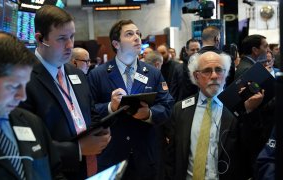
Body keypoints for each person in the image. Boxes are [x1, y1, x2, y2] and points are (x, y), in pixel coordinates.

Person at [18, 5, 111, 179]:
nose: (70, 45)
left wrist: (101, 131)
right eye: (61, 38)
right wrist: (78, 149)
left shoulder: (77, 73)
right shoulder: (24, 79)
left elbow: (90, 114)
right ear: (40, 39)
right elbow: (26, 144)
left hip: (88, 169)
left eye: (72, 36)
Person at [0, 31, 63, 179]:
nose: (22, 97)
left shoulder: (31, 123)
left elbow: (55, 174)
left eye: (24, 85)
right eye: (14, 86)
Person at [88, 19, 174, 179]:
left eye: (138, 34)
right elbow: (88, 112)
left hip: (146, 157)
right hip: (112, 156)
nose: (137, 37)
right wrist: (110, 107)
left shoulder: (153, 73)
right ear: (116, 44)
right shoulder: (98, 74)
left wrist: (148, 114)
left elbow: (167, 105)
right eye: (129, 34)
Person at [166, 51, 265, 179]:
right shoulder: (180, 109)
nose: (214, 75)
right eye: (207, 71)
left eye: (219, 70)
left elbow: (254, 148)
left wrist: (251, 112)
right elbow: (171, 156)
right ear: (196, 76)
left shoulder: (240, 107)